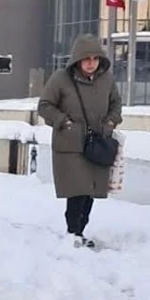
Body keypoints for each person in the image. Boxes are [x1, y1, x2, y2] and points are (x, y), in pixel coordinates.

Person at [37, 34, 123, 248]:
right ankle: (73, 231)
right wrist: (63, 122)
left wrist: (111, 122)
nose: (91, 63)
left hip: (98, 142)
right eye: (86, 59)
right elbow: (45, 105)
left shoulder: (107, 80)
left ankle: (80, 230)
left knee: (91, 191)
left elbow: (116, 104)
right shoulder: (60, 79)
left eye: (95, 59)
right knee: (77, 190)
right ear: (77, 60)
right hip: (71, 144)